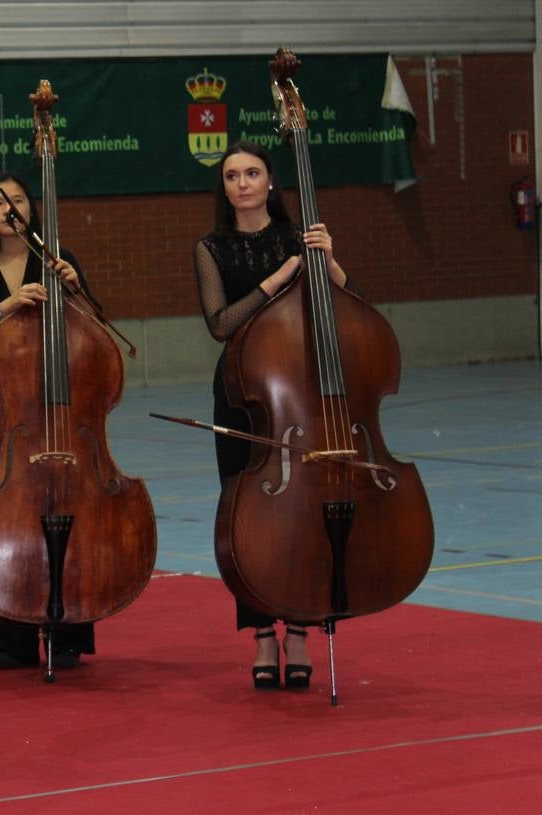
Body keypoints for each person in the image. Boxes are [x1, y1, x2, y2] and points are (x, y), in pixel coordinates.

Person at [193, 140, 348, 690]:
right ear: (225, 188)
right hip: (241, 395)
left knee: (303, 512)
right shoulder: (211, 247)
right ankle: (261, 633)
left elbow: (340, 299)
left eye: (252, 172)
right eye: (232, 175)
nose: (242, 183)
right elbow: (220, 323)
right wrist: (277, 279)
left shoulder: (298, 238)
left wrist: (326, 258)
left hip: (298, 392)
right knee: (247, 519)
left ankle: (301, 629)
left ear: (270, 181)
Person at [0, 171, 97, 671]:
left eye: (17, 199)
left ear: (32, 208)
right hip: (4, 416)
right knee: (6, 520)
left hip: (60, 413)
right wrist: (8, 305)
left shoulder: (59, 261)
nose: (9, 207)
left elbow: (92, 335)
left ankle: (69, 628)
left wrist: (76, 290)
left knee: (71, 506)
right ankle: (11, 635)